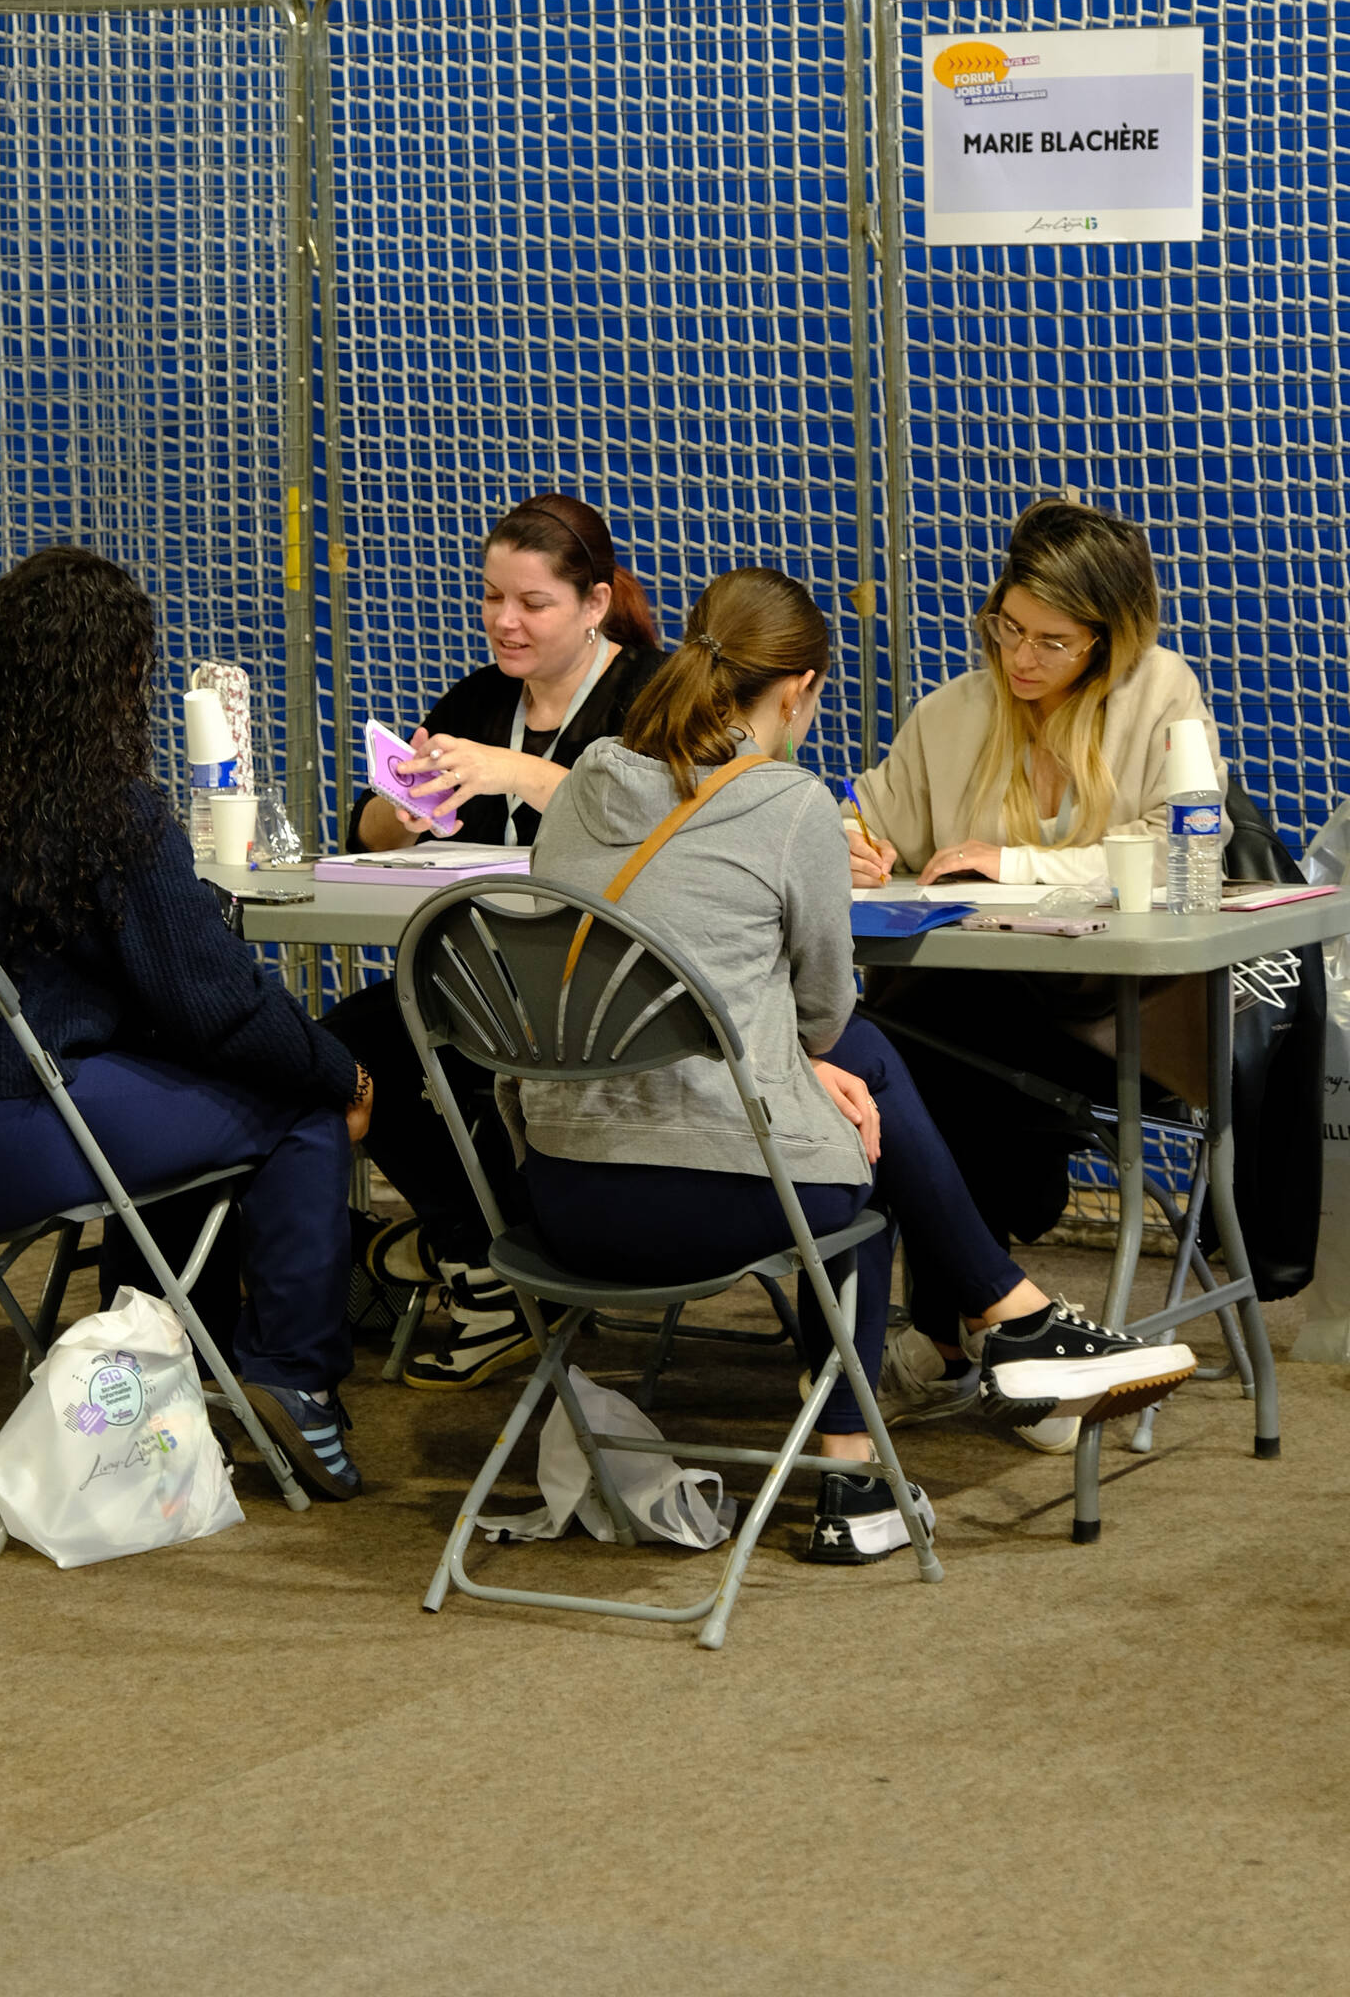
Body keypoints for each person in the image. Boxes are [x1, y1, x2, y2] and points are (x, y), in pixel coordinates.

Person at [519, 566, 1196, 1563]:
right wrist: (804, 1066)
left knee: (848, 1095)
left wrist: (795, 1063)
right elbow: (826, 1016)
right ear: (799, 689)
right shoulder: (787, 802)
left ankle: (983, 1349)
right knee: (853, 1132)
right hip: (709, 1200)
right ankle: (926, 1405)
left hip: (555, 1194)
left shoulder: (584, 782)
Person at [0, 546, 369, 1502]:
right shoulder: (109, 812)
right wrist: (343, 1072)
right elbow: (221, 1006)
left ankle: (161, 1362)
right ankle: (294, 1375)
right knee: (294, 1104)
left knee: (172, 1089)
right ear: (122, 674)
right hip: (7, 1143)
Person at [846, 498, 1227, 1449]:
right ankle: (1002, 1328)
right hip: (975, 1020)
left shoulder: (1162, 693)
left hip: (1113, 1020)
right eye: (1007, 628)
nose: (1020, 657)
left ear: (1109, 639)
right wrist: (853, 844)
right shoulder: (953, 711)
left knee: (897, 1045)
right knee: (912, 1036)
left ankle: (959, 1329)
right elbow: (872, 821)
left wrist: (1011, 863)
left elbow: (1180, 848)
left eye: (1052, 642)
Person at [325, 492, 665, 1390]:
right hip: (486, 980)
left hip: (612, 985)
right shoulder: (480, 698)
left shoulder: (654, 694)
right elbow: (367, 829)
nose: (505, 621)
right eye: (491, 598)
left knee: (457, 1057)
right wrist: (397, 816)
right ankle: (478, 1257)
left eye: (532, 603)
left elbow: (668, 821)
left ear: (594, 604)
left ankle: (483, 1253)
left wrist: (518, 772)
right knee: (344, 1045)